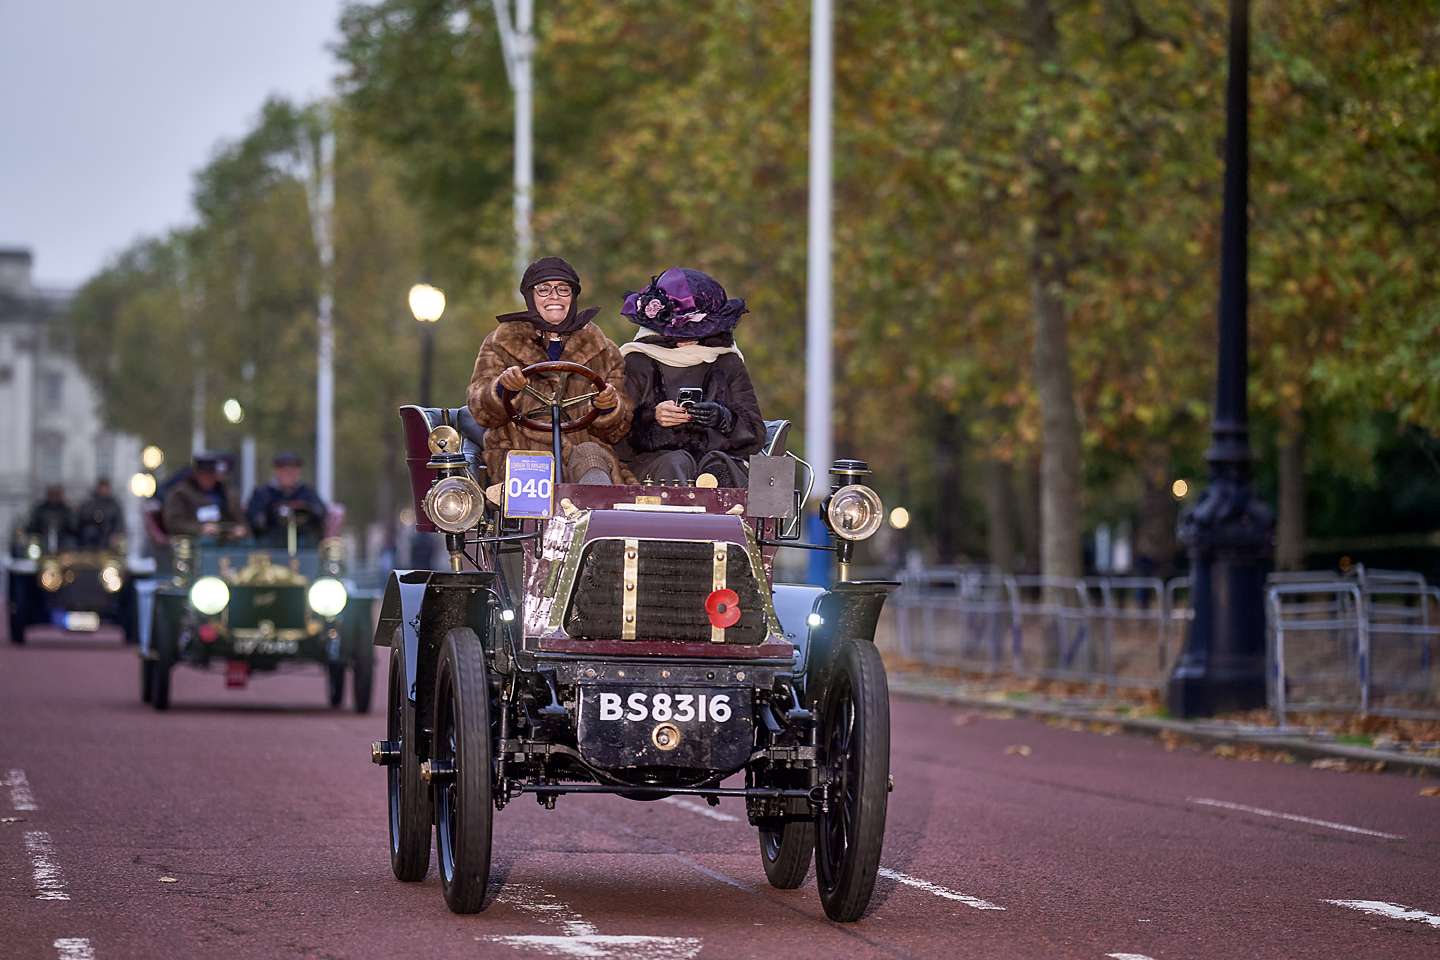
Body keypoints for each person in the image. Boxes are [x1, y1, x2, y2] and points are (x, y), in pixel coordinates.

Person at [467, 256, 634, 484]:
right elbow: (480, 409)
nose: (554, 296)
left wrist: (606, 407)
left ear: (573, 297)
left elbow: (617, 429)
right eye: (544, 289)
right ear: (530, 296)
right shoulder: (501, 343)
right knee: (530, 468)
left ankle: (594, 514)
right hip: (520, 454)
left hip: (582, 454)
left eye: (563, 289)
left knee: (592, 457)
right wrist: (504, 388)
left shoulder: (604, 350)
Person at [619, 267, 766, 486]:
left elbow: (755, 438)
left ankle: (722, 517)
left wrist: (723, 419)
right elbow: (615, 439)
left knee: (718, 467)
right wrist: (652, 420)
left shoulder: (727, 361)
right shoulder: (636, 361)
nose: (687, 339)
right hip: (652, 469)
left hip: (717, 466)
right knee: (675, 462)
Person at [245, 452, 327, 547]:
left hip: (303, 539)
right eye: (284, 471)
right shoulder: (262, 493)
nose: (288, 474)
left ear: (298, 472)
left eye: (292, 471)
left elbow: (321, 512)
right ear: (277, 471)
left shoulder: (307, 492)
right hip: (271, 540)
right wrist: (272, 512)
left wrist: (305, 509)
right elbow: (254, 519)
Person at [162, 453, 246, 539]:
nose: (209, 478)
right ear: (196, 475)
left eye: (212, 474)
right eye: (205, 475)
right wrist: (200, 528)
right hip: (192, 543)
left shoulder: (226, 493)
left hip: (226, 544)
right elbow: (174, 523)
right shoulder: (180, 494)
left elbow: (240, 520)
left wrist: (239, 529)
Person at [76, 478, 124, 549]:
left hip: (109, 534)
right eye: (102, 488)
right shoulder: (91, 501)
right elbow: (83, 516)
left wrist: (115, 533)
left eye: (105, 488)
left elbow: (119, 521)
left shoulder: (114, 504)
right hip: (93, 534)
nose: (103, 490)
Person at [26, 485, 75, 553]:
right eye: (52, 494)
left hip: (62, 537)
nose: (54, 497)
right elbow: (32, 525)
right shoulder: (40, 509)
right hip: (43, 536)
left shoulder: (66, 509)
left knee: (70, 543)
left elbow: (73, 526)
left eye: (56, 494)